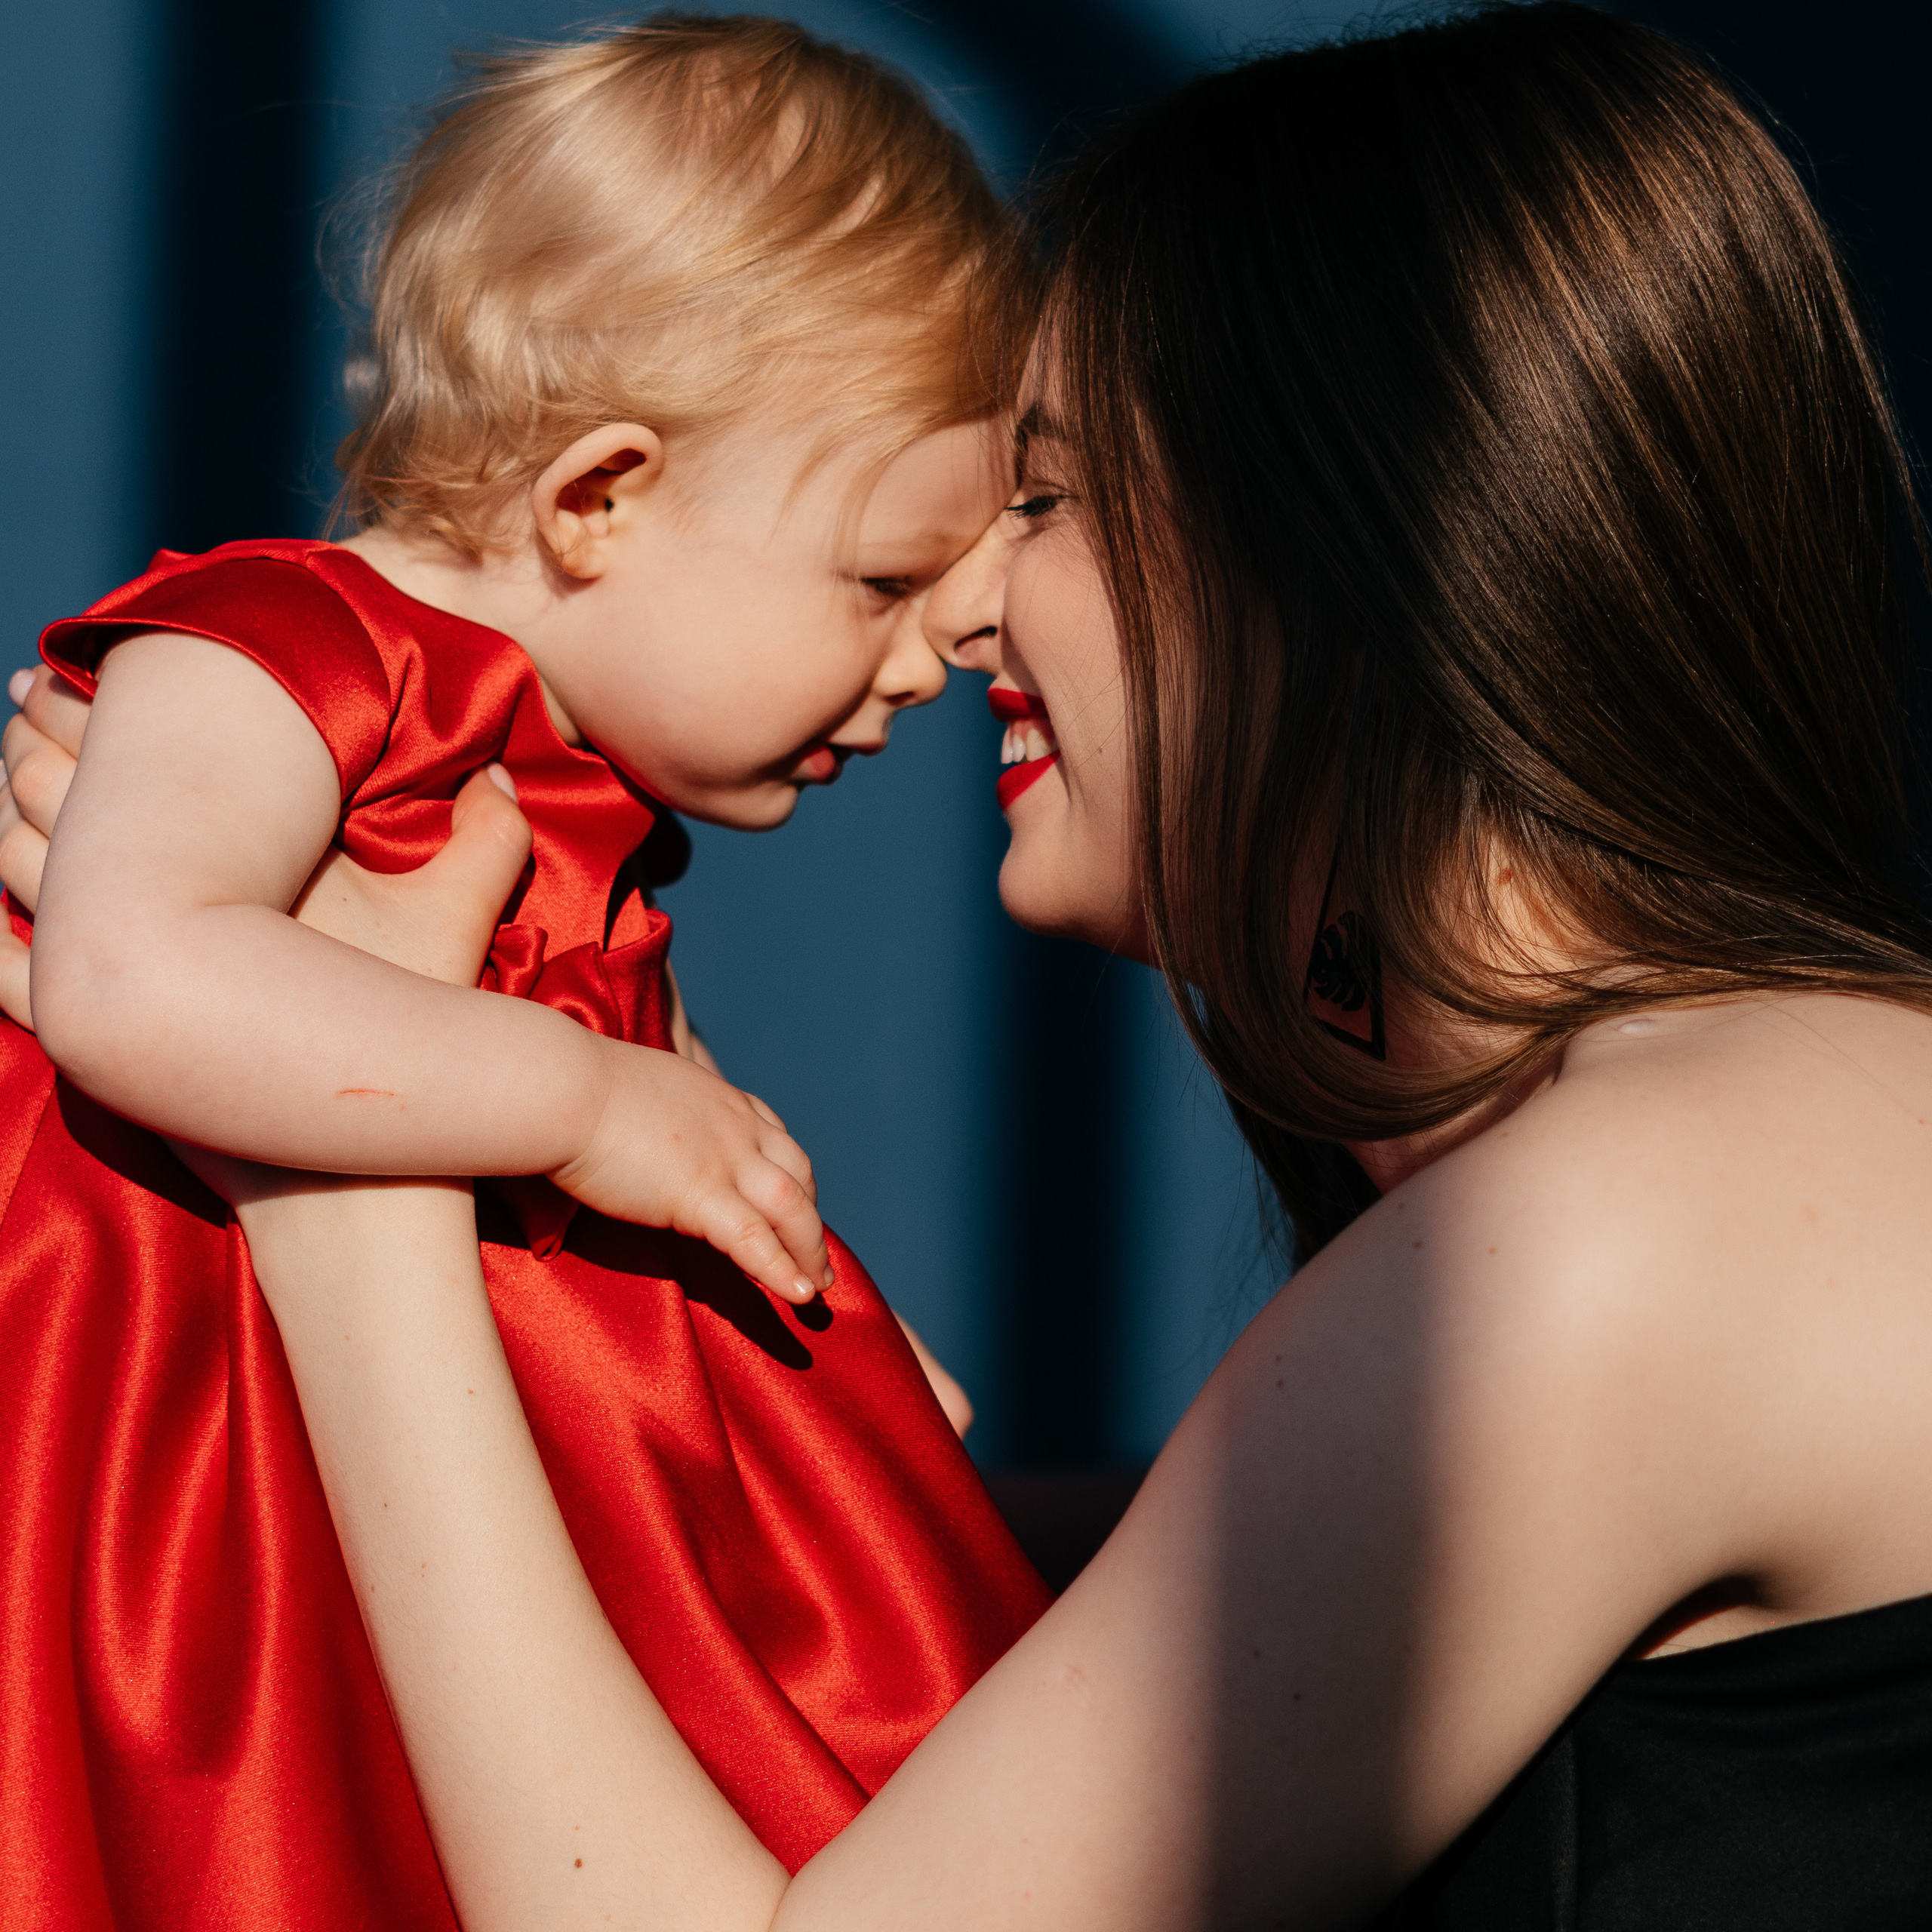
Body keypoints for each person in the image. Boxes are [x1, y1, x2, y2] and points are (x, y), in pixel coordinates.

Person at [17, 1, 1932, 1924]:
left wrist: (346, 1186)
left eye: (1051, 497)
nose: (973, 611)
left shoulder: (1598, 1243)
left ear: (1342, 552)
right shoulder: (1724, 1148)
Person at [0, 19, 1049, 1930]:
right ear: (600, 496)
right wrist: (581, 1098)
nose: (927, 662)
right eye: (881, 583)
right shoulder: (279, 648)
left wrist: (842, 1331)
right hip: (204, 1438)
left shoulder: (579, 795)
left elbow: (674, 1106)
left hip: (457, 1456)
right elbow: (132, 976)